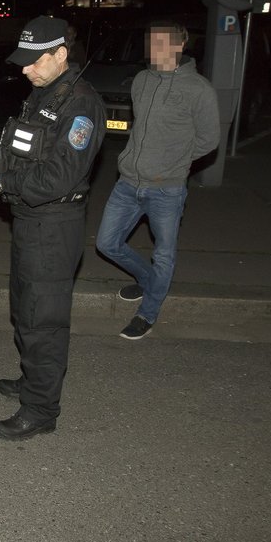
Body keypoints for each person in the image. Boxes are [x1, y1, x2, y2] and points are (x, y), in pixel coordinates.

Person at [0, 15, 106, 442]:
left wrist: (0, 183)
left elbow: (58, 178)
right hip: (29, 221)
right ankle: (32, 383)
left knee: (43, 320)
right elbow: (27, 150)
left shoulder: (81, 105)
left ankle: (41, 409)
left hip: (54, 224)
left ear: (60, 54)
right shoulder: (43, 92)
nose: (24, 69)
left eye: (33, 61)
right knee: (24, 308)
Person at [95, 21, 220, 340]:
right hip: (127, 182)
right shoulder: (141, 80)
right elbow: (139, 127)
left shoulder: (199, 89)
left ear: (181, 45)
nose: (155, 49)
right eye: (152, 43)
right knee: (106, 243)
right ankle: (148, 280)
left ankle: (147, 313)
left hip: (167, 187)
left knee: (164, 253)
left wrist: (173, 162)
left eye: (164, 43)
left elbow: (208, 140)